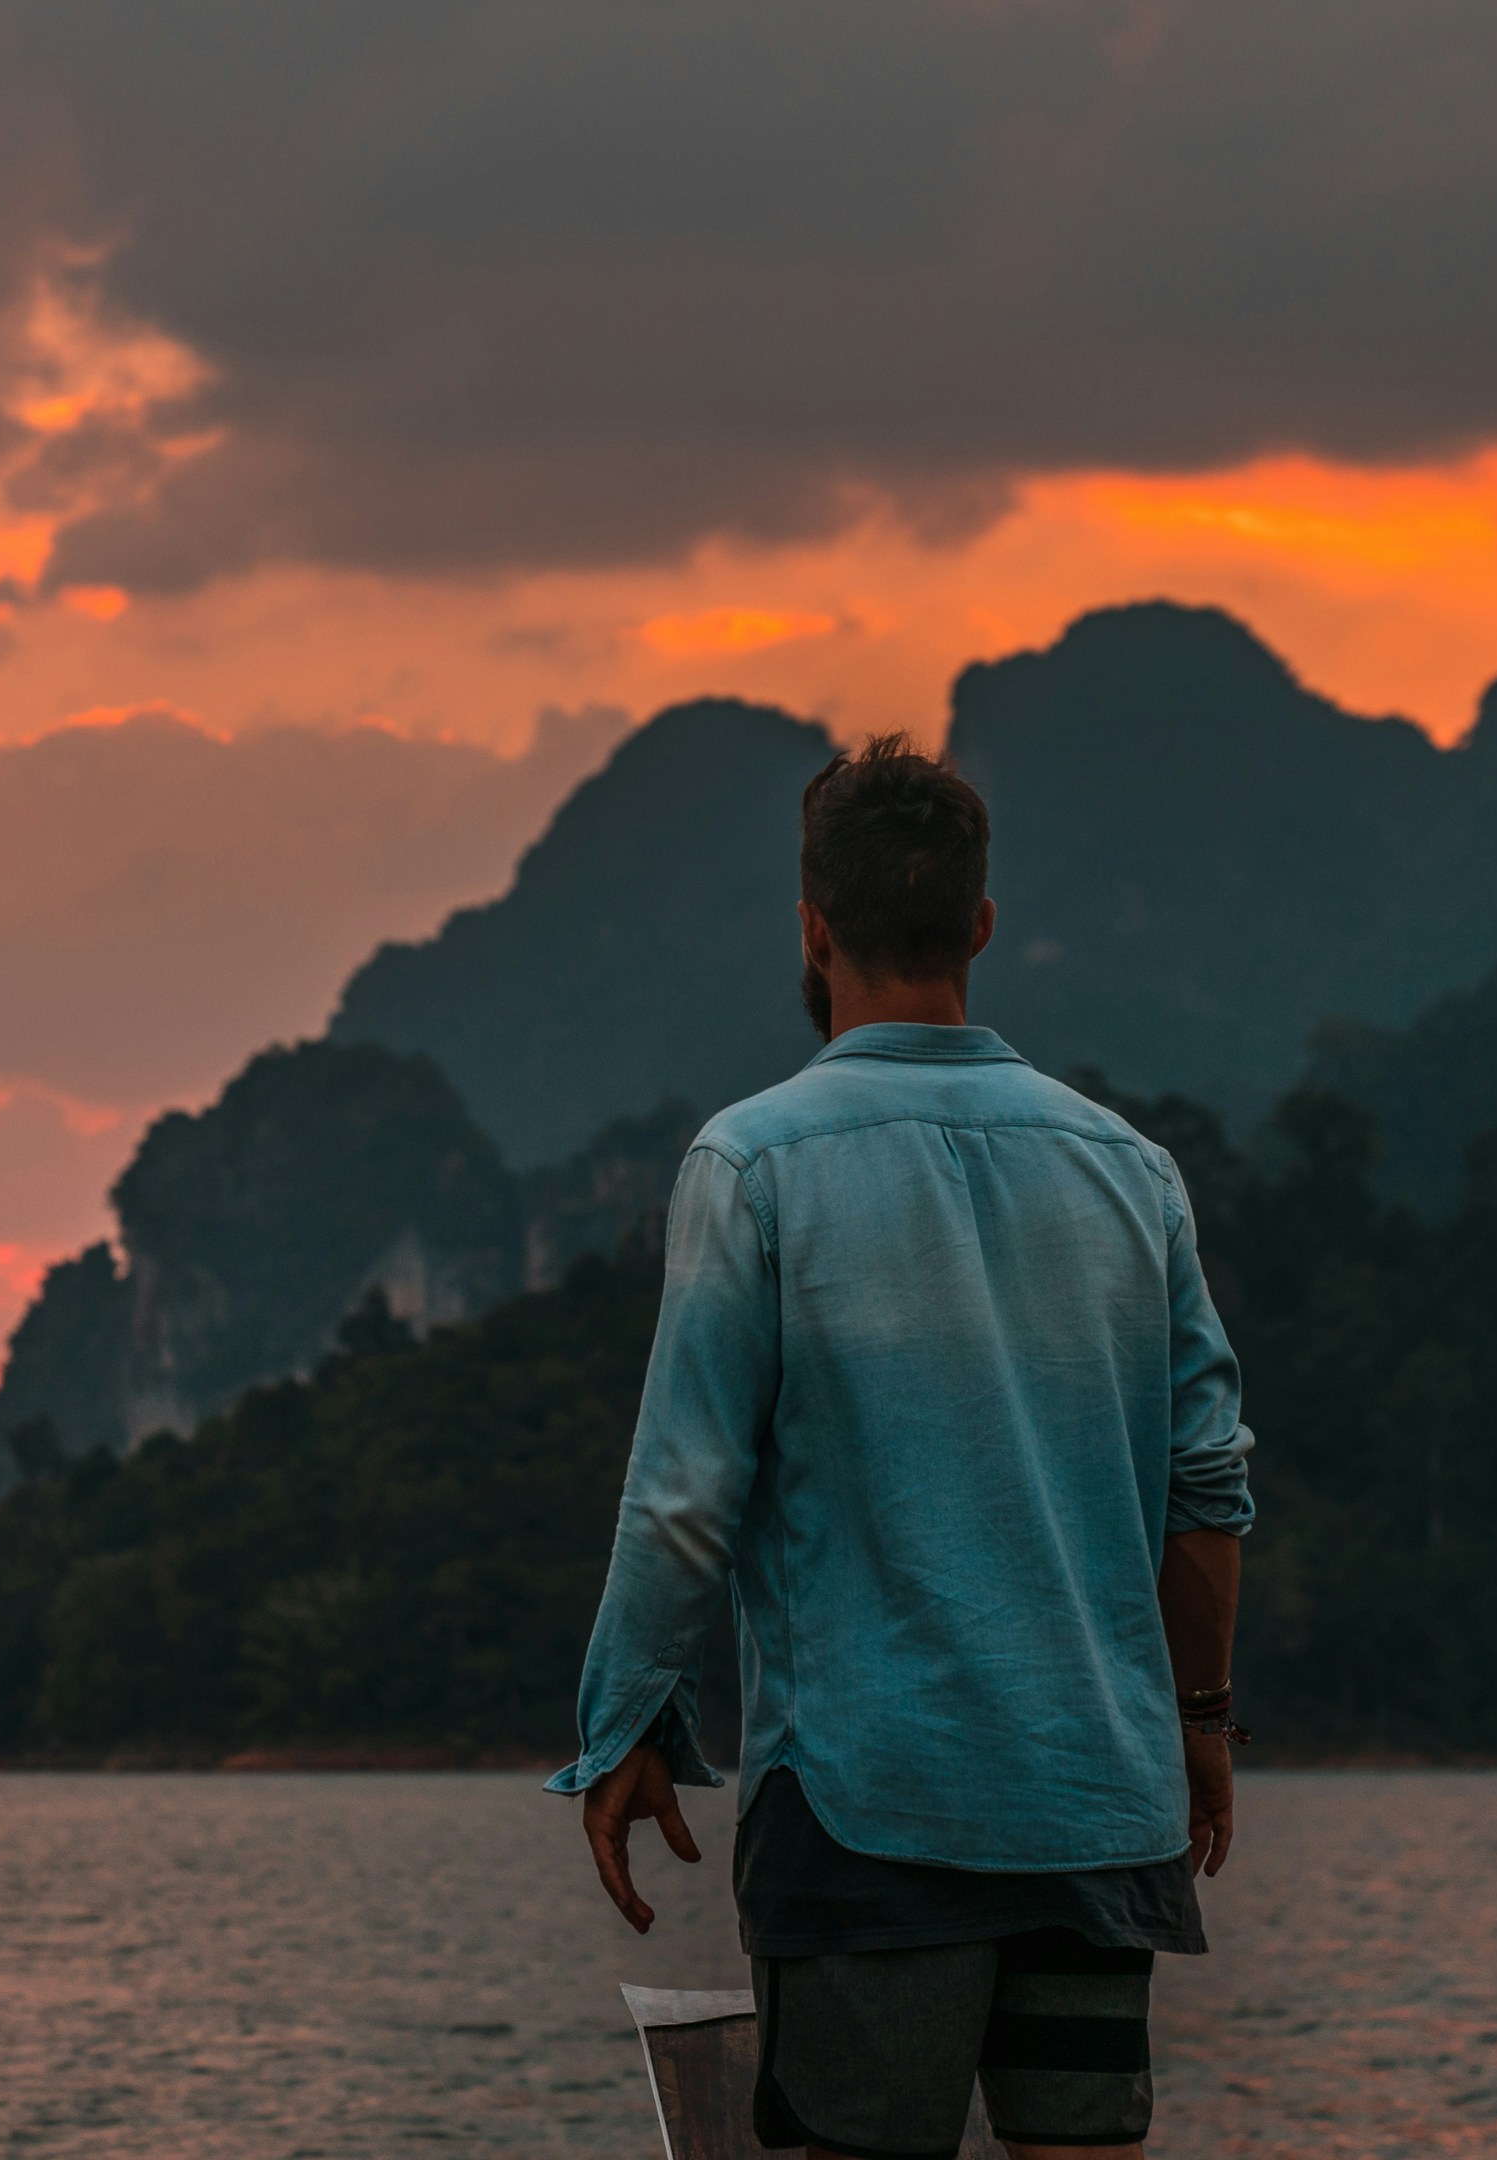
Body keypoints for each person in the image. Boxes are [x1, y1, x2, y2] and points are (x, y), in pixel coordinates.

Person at [551, 736, 1254, 2160]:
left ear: (813, 928)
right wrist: (1199, 1719)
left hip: (869, 1823)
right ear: (981, 929)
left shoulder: (751, 1166)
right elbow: (1205, 1493)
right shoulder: (1131, 1172)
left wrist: (624, 1723)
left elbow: (684, 1498)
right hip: (1098, 1819)